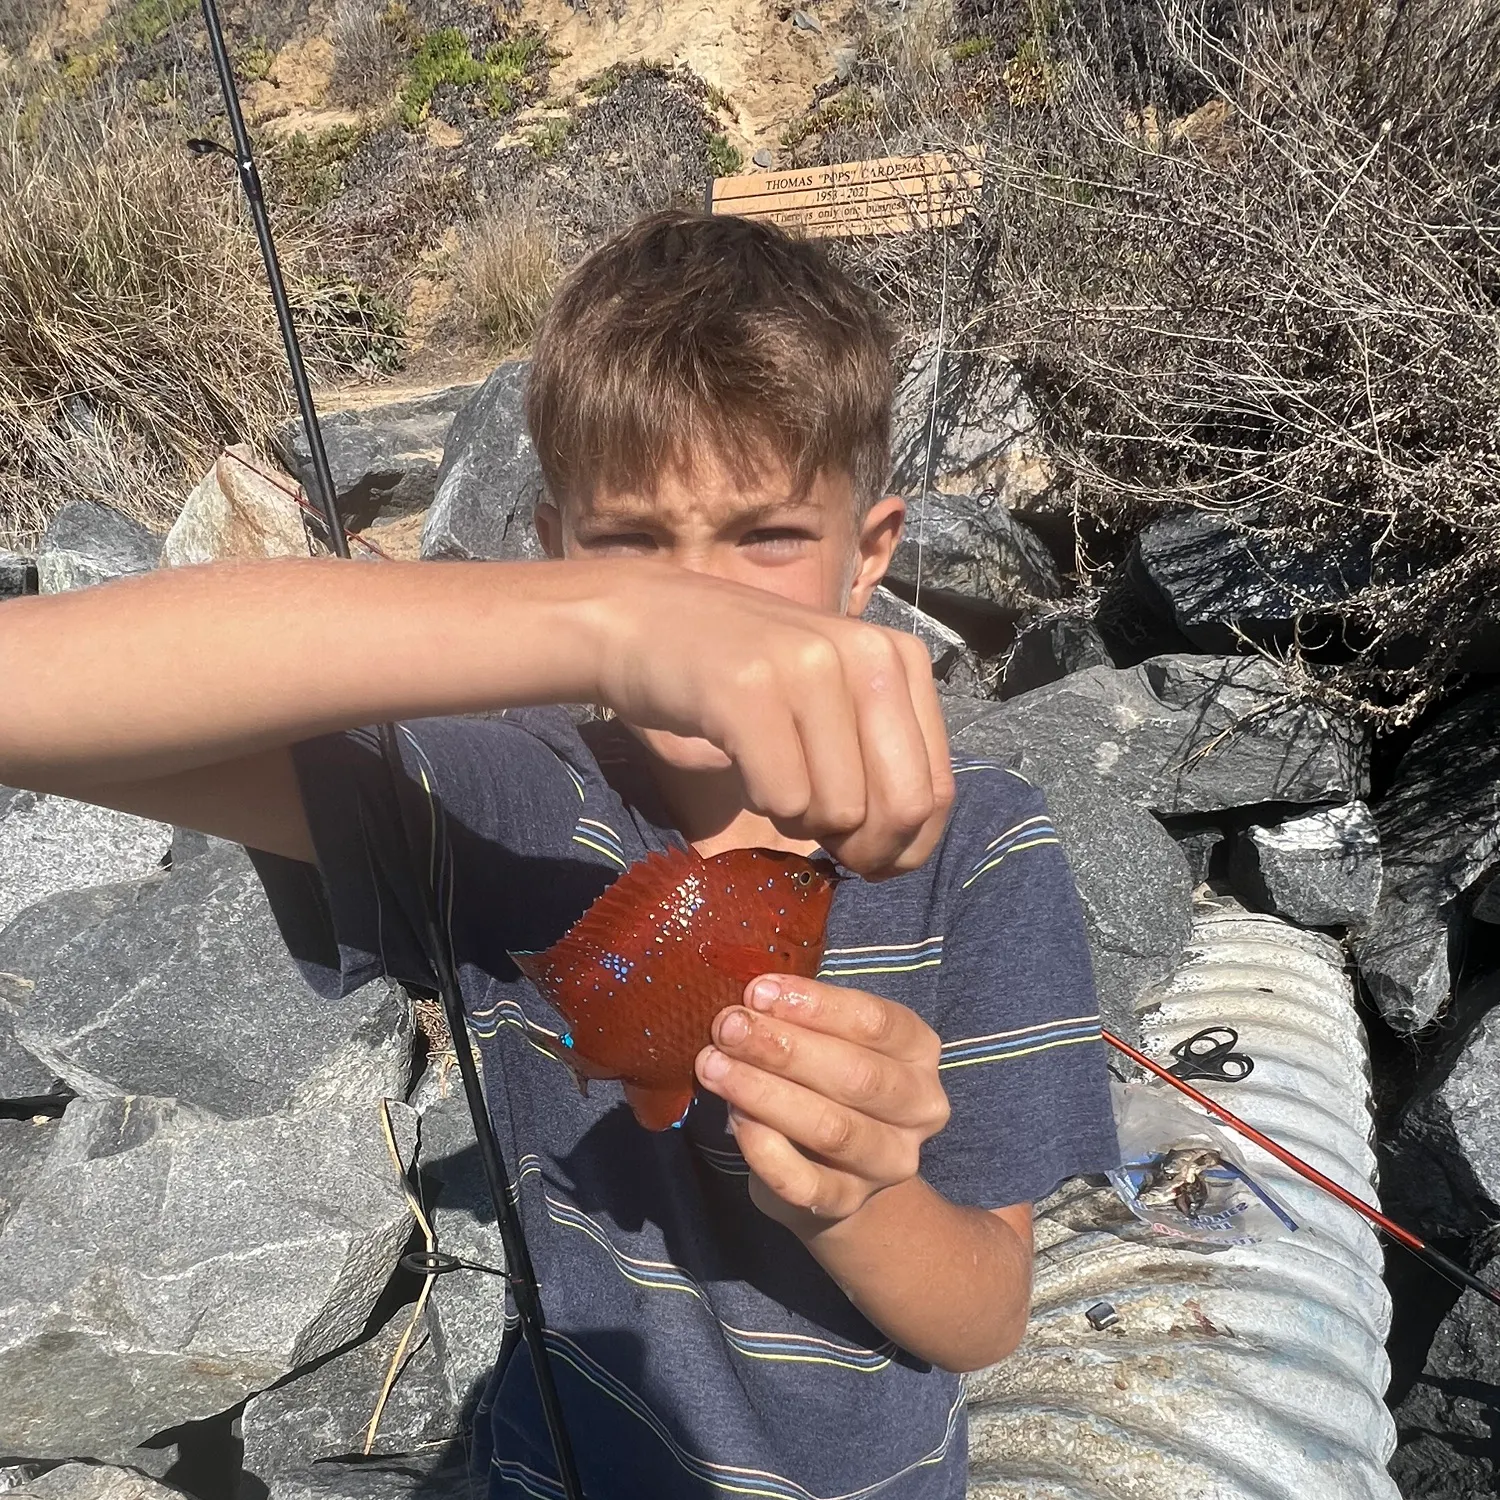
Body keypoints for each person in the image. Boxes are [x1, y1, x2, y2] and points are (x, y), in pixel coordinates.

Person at [0, 209, 1119, 1499]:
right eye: (632, 542)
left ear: (869, 556)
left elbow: (983, 1315)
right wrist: (597, 629)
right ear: (550, 552)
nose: (698, 597)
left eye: (766, 534)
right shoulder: (506, 803)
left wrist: (854, 1200)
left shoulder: (983, 850)